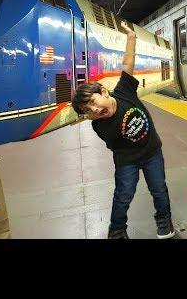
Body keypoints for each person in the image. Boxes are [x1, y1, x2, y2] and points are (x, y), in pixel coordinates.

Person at [73, 21, 175, 239]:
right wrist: (97, 115)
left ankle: (164, 222)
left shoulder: (124, 91)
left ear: (104, 92)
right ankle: (117, 231)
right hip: (127, 160)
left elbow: (128, 62)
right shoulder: (99, 126)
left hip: (152, 152)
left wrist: (131, 37)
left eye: (93, 101)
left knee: (159, 189)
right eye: (87, 110)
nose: (94, 109)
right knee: (123, 195)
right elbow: (115, 132)